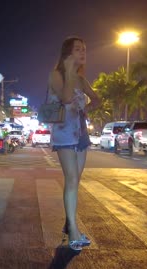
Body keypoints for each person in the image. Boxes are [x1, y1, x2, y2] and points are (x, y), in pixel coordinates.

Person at [48, 36, 99, 251]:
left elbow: (96, 98)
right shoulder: (56, 75)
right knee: (70, 179)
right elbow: (67, 98)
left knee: (75, 181)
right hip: (63, 131)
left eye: (84, 49)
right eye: (77, 49)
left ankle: (69, 224)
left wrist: (86, 109)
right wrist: (69, 71)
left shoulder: (81, 79)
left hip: (80, 131)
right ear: (67, 53)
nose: (82, 52)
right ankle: (74, 233)